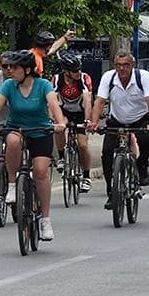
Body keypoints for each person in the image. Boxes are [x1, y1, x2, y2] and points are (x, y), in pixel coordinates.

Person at [0, 49, 66, 238]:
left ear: (28, 70)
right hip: (17, 128)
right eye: (8, 67)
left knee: (40, 172)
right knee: (12, 140)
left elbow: (53, 104)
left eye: (15, 67)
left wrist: (60, 123)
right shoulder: (9, 86)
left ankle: (45, 220)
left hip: (41, 131)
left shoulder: (43, 85)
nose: (10, 70)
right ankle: (12, 185)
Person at [88, 51, 149, 206]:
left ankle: (142, 165)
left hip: (140, 119)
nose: (122, 69)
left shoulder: (143, 77)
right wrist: (93, 122)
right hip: (116, 120)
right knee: (106, 152)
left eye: (126, 65)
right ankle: (111, 193)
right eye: (119, 65)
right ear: (114, 66)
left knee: (145, 140)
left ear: (132, 65)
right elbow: (99, 101)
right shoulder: (109, 77)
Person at [51, 51, 93, 192]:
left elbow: (87, 99)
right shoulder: (57, 79)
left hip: (80, 111)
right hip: (64, 111)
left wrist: (87, 120)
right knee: (59, 126)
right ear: (66, 71)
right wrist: (51, 119)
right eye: (75, 70)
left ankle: (86, 176)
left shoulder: (84, 78)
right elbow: (51, 100)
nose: (78, 72)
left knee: (82, 145)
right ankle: (62, 156)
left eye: (79, 69)